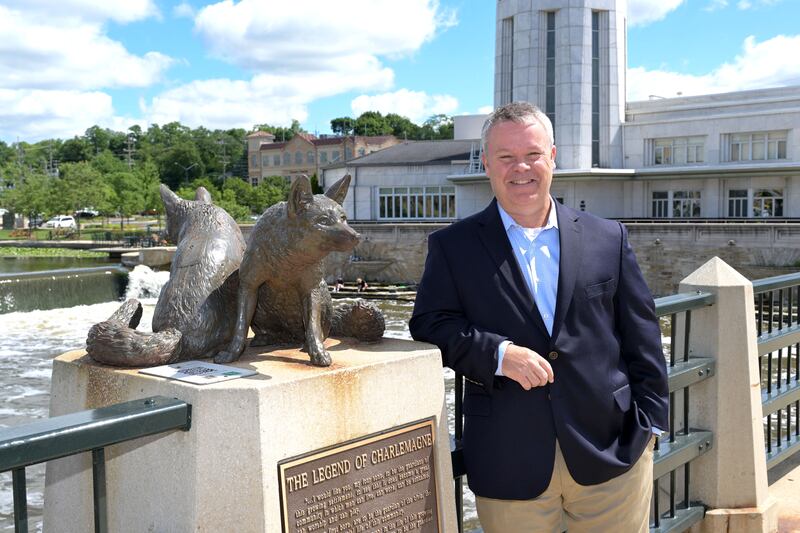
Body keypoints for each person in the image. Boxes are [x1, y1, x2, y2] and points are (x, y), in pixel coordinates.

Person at [409, 102, 668, 533]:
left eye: (532, 154)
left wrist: (650, 427)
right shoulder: (452, 247)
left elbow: (643, 337)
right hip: (508, 458)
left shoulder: (608, 236)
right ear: (487, 164)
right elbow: (430, 324)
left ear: (552, 156)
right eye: (506, 157)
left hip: (613, 451)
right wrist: (498, 354)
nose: (520, 168)